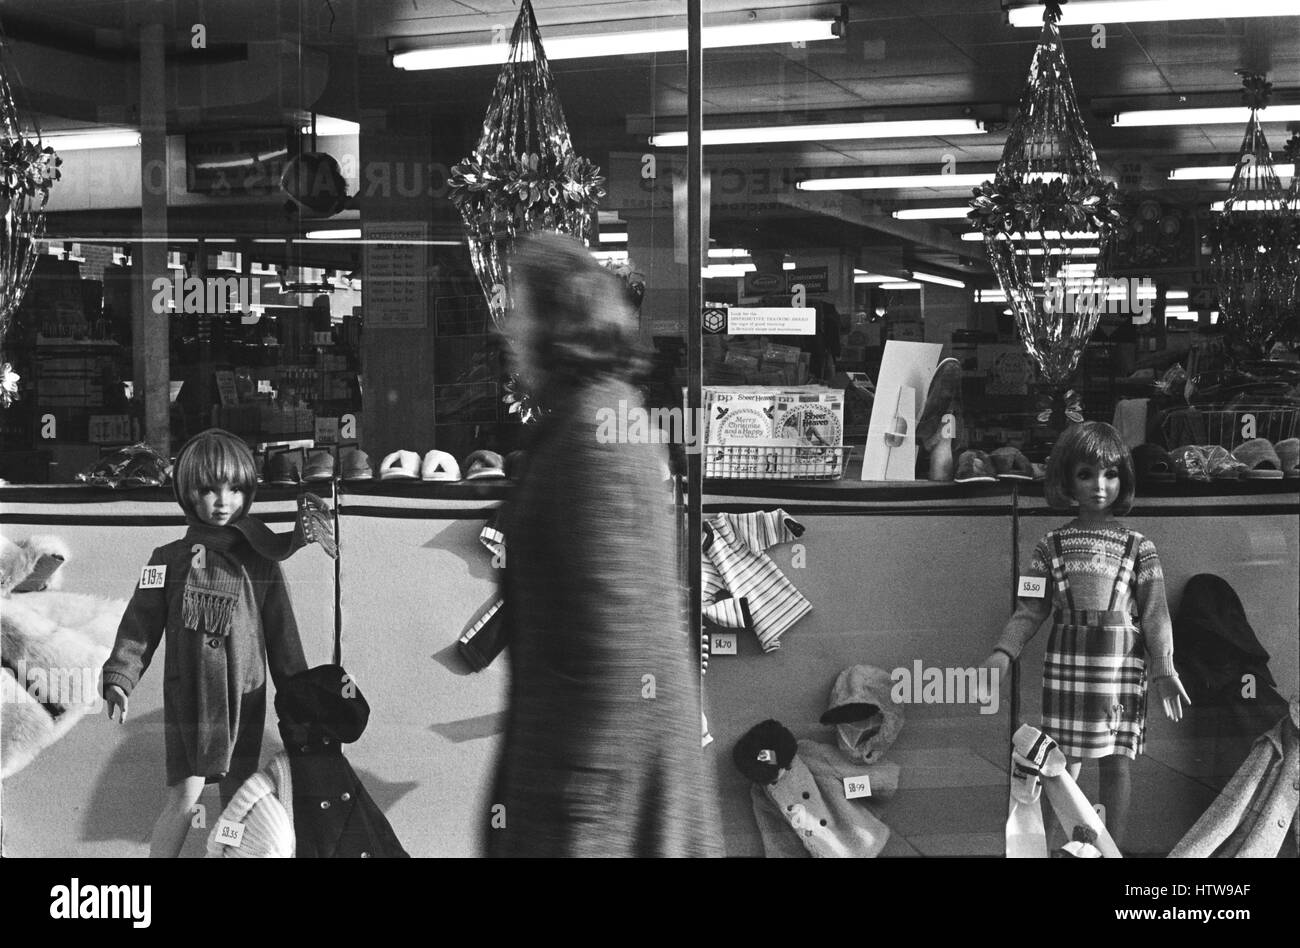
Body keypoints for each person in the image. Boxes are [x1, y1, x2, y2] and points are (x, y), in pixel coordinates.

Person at [484, 232, 718, 857]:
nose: (508, 327)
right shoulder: (588, 418)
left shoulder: (595, 435)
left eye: (517, 309)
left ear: (555, 320)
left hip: (596, 793)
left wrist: (583, 817)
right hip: (589, 781)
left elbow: (618, 640)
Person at [983, 421, 1189, 850]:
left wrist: (1164, 667)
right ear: (1066, 480)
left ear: (1124, 480)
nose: (1099, 486)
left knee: (1118, 763)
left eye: (1111, 474)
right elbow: (1030, 607)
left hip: (1120, 669)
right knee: (1061, 765)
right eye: (1086, 474)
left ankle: (1112, 846)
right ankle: (1053, 845)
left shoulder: (1138, 547)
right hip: (1068, 666)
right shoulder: (1050, 546)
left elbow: (1155, 614)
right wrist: (1005, 651)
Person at [102, 428, 307, 857]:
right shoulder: (167, 560)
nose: (223, 500)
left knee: (236, 800)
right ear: (188, 493)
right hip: (188, 697)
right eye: (209, 489)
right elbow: (140, 624)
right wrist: (121, 676)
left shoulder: (261, 559)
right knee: (183, 798)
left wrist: (302, 701)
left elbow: (283, 635)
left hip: (242, 698)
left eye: (235, 489)